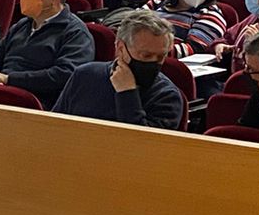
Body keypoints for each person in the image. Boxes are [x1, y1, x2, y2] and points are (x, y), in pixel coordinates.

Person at [50, 9, 184, 130]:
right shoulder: (85, 75)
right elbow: (53, 125)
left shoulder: (166, 96)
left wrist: (127, 93)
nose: (154, 62)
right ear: (120, 48)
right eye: (146, 55)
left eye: (161, 56)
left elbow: (144, 145)